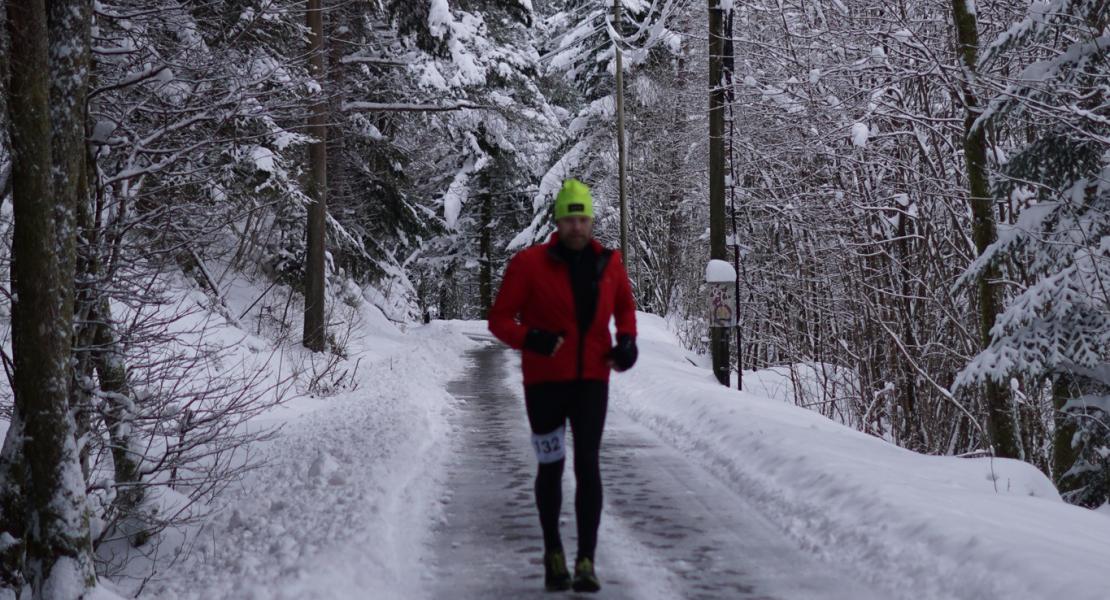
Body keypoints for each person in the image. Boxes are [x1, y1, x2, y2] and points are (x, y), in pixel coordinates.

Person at [488, 178, 638, 593]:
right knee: (551, 466)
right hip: (545, 384)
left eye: (583, 217)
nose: (577, 225)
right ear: (558, 220)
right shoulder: (529, 264)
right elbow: (500, 320)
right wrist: (531, 338)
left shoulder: (610, 263)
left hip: (593, 381)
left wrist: (627, 342)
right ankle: (554, 553)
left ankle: (586, 560)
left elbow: (625, 306)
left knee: (588, 464)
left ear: (591, 220)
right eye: (570, 217)